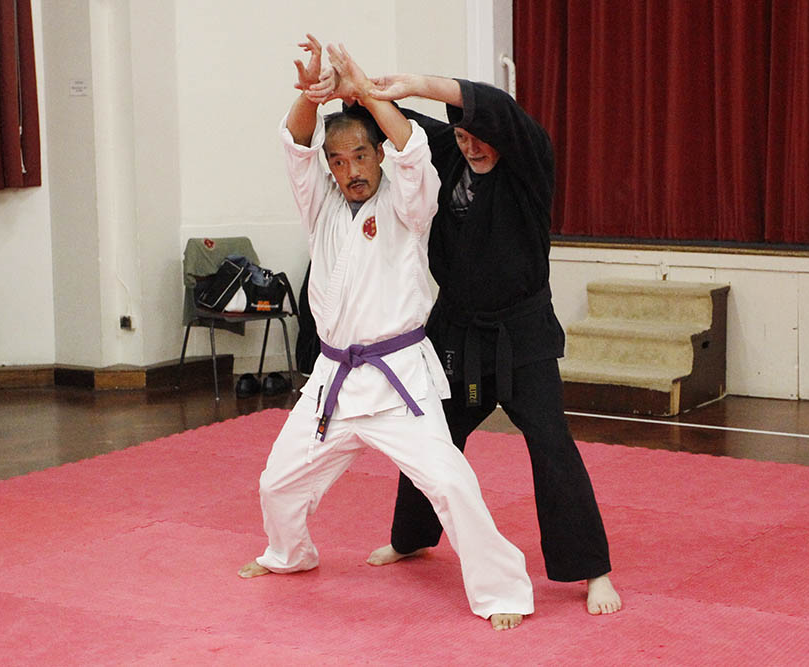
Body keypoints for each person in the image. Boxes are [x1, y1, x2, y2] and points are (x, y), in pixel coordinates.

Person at [238, 36, 534, 631]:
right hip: (333, 381)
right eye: (338, 162)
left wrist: (367, 92)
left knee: (450, 484)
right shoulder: (320, 207)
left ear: (378, 155)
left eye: (360, 156)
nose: (350, 171)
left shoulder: (409, 204)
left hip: (398, 383)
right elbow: (295, 145)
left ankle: (501, 591)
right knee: (277, 484)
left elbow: (413, 149)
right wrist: (310, 95)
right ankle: (289, 555)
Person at [338, 72, 623, 615]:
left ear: (502, 133)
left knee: (551, 443)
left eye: (480, 137)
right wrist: (355, 90)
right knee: (432, 438)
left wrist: (415, 81)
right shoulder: (448, 153)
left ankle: (593, 570)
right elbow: (398, 125)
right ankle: (411, 537)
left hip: (522, 335)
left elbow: (496, 109)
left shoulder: (529, 162)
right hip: (457, 331)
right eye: (463, 137)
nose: (472, 147)